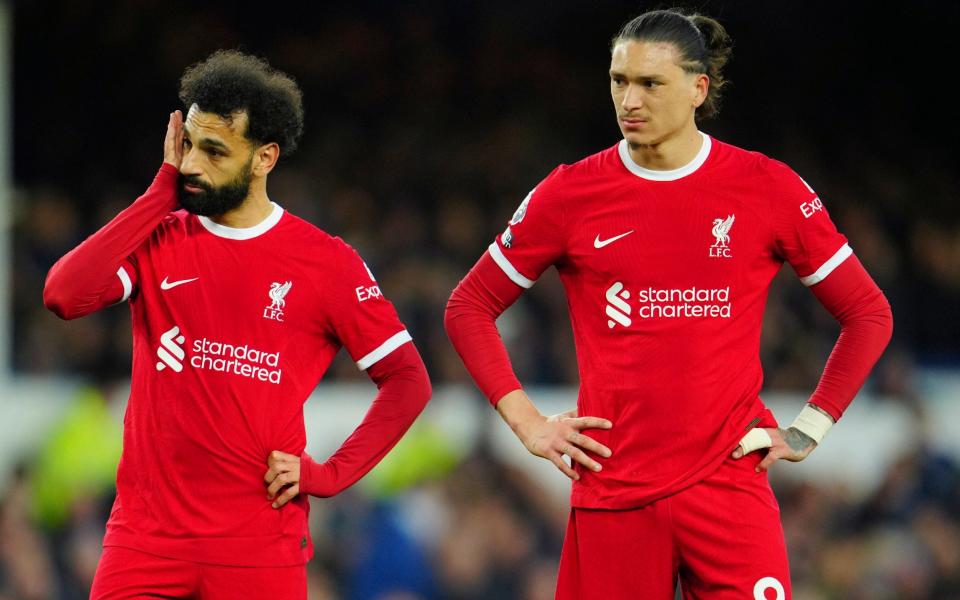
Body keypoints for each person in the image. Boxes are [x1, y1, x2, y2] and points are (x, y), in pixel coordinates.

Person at [444, 9, 893, 600]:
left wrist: (810, 426)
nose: (629, 99)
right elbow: (468, 305)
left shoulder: (768, 187)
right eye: (618, 80)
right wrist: (527, 423)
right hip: (615, 491)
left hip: (730, 488)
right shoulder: (570, 193)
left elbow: (868, 313)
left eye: (650, 83)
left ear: (697, 88)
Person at [43, 50, 431, 599]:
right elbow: (64, 294)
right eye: (190, 146)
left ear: (264, 158)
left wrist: (329, 474)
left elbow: (408, 382)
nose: (194, 165)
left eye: (215, 151)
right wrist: (159, 192)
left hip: (258, 549)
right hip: (146, 543)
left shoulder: (326, 263)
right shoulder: (160, 237)